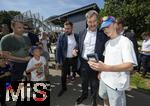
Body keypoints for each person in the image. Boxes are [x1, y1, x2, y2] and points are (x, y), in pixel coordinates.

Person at [88, 16, 137, 106]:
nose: (105, 30)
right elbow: (107, 61)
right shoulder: (107, 43)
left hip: (116, 84)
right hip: (104, 79)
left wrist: (106, 68)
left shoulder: (125, 42)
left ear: (115, 25)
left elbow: (130, 66)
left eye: (108, 26)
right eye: (103, 28)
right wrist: (100, 71)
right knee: (104, 98)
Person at [72, 10, 108, 106]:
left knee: (94, 84)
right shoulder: (82, 32)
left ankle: (93, 99)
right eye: (90, 22)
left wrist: (103, 68)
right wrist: (75, 49)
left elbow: (106, 51)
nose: (92, 24)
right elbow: (79, 45)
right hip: (83, 62)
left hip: (96, 63)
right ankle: (84, 95)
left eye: (94, 21)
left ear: (98, 21)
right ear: (87, 22)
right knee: (84, 81)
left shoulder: (103, 34)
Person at [56, 21, 78, 97]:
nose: (66, 30)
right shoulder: (61, 36)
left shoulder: (76, 36)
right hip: (65, 59)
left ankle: (74, 76)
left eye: (68, 28)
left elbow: (79, 44)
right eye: (65, 28)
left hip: (74, 58)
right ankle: (63, 88)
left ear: (72, 28)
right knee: (63, 75)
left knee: (76, 70)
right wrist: (57, 61)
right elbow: (58, 49)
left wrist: (75, 48)